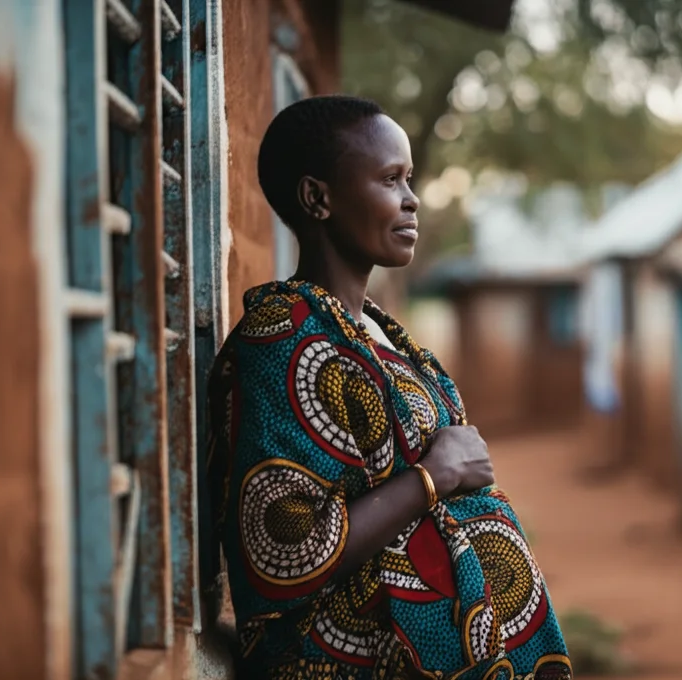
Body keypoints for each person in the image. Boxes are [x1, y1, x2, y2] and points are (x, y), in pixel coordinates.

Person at [206, 95, 570, 680]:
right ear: (317, 198)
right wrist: (435, 476)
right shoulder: (283, 340)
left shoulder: (375, 330)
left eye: (410, 178)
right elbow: (284, 553)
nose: (411, 198)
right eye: (389, 179)